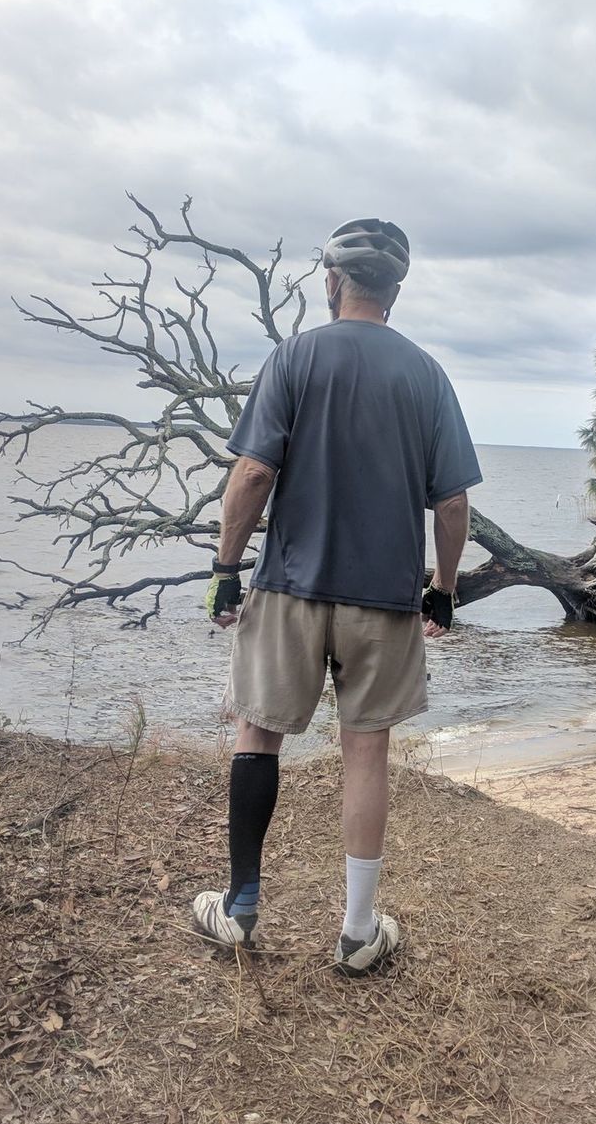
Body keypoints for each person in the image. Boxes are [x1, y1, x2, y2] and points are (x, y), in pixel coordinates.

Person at [190, 218, 481, 975]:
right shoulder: (425, 374)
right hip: (383, 598)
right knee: (366, 749)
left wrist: (226, 568)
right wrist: (443, 589)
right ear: (395, 292)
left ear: (331, 282)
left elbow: (253, 473)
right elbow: (452, 503)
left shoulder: (295, 356)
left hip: (290, 584)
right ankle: (356, 932)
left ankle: (241, 908)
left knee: (258, 733)